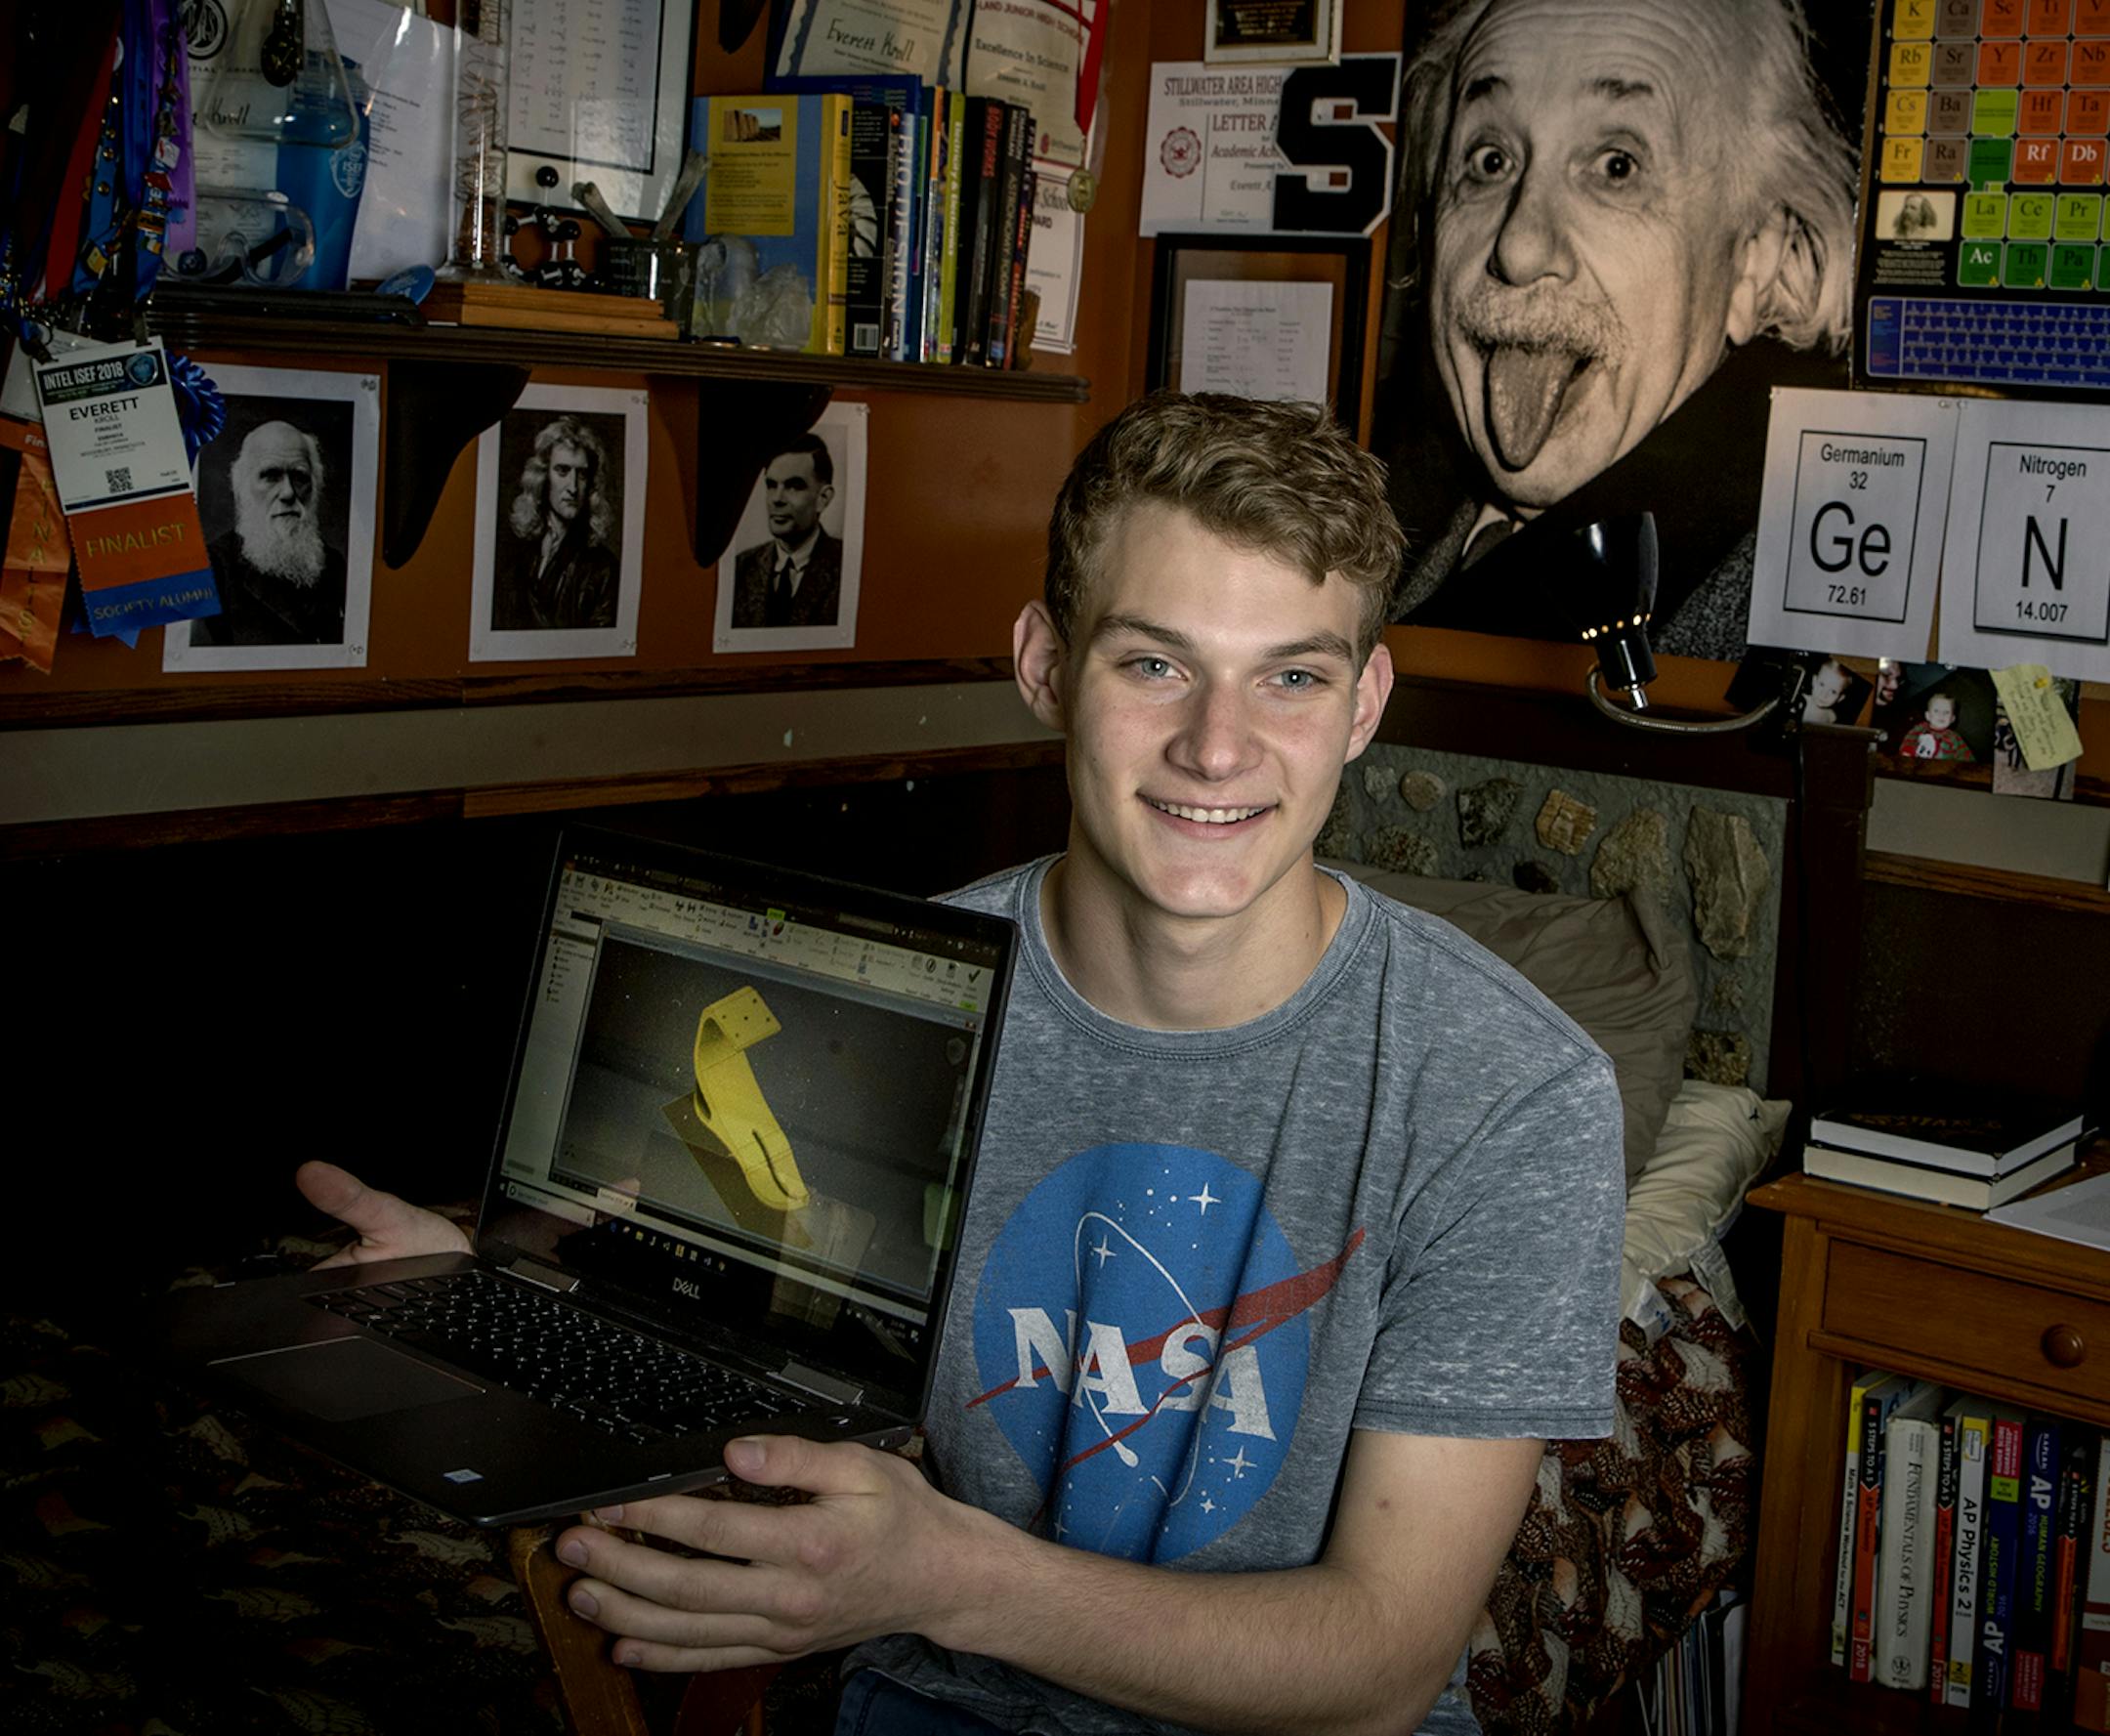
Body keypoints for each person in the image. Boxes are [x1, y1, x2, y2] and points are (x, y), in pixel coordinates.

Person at [296, 393, 1625, 1735]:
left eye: (1292, 677)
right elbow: (714, 1288)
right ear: (1045, 665)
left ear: (1364, 705)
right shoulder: (902, 988)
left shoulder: (1510, 1095)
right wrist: (487, 1278)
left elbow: (1381, 1663)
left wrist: (946, 1577)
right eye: (1153, 664)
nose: (1218, 748)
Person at [1374, 0, 1860, 659]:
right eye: (1490, 161)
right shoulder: (1363, 531)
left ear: (1755, 261)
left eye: (1617, 166)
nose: (1519, 247)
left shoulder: (1794, 627)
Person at [193, 420, 348, 647]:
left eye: (300, 477)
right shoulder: (212, 569)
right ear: (241, 487)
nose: (288, 493)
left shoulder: (334, 565)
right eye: (271, 476)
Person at [494, 416, 620, 632]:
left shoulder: (603, 568)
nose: (573, 487)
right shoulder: (517, 558)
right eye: (562, 471)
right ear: (542, 477)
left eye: (582, 475)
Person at [730, 435, 844, 629]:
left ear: (823, 498)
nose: (777, 499)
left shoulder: (845, 566)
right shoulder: (740, 567)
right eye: (771, 485)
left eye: (794, 486)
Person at [1900, 690, 1972, 762]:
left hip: (1941, 767)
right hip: (1916, 763)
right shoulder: (1920, 728)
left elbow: (1966, 756)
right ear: (1928, 715)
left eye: (1946, 712)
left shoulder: (1955, 738)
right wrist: (1907, 751)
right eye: (1936, 711)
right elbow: (1909, 739)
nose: (1941, 715)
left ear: (1952, 719)